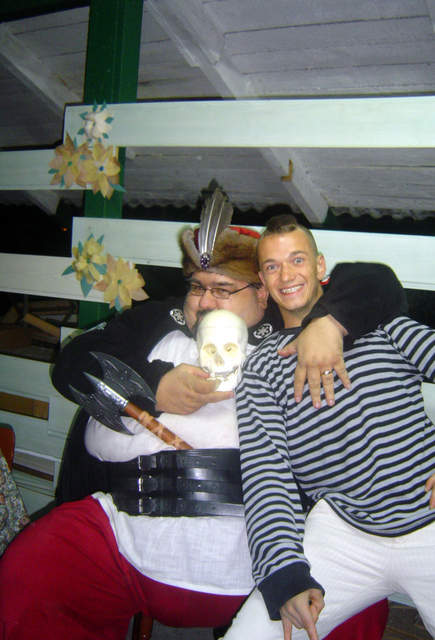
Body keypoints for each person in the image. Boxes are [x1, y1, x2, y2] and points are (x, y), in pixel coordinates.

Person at [0, 200, 406, 640]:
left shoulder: (293, 330)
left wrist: (330, 325)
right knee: (33, 571)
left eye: (222, 288)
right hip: (126, 532)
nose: (204, 300)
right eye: (197, 286)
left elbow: (378, 283)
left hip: (269, 548)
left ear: (262, 293)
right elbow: (75, 361)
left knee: (356, 607)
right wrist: (152, 388)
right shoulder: (160, 321)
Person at [222, 214, 435, 640]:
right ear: (263, 283)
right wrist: (283, 572)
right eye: (272, 266)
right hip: (340, 530)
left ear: (320, 266)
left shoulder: (379, 325)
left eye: (297, 259)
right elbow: (266, 470)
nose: (287, 275)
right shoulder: (261, 367)